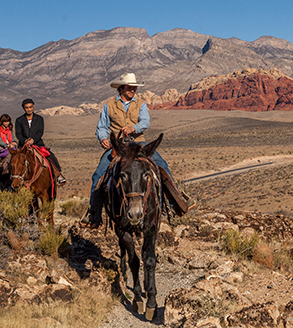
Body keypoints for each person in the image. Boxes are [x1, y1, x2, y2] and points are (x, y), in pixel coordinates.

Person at [81, 73, 190, 228]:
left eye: (134, 87)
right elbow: (102, 127)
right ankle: (93, 212)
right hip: (118, 146)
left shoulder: (140, 104)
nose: (132, 90)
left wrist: (134, 128)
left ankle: (177, 201)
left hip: (139, 143)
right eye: (129, 87)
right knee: (98, 174)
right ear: (121, 88)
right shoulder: (109, 105)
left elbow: (145, 122)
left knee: (161, 164)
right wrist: (103, 139)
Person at [15, 98, 67, 185]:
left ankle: (58, 175)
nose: (29, 109)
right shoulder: (19, 120)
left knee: (50, 156)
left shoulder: (39, 119)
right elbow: (18, 134)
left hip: (37, 144)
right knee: (14, 160)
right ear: (23, 108)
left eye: (30, 107)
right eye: (27, 107)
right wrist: (25, 141)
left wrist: (33, 140)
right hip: (23, 145)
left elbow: (40, 132)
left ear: (33, 106)